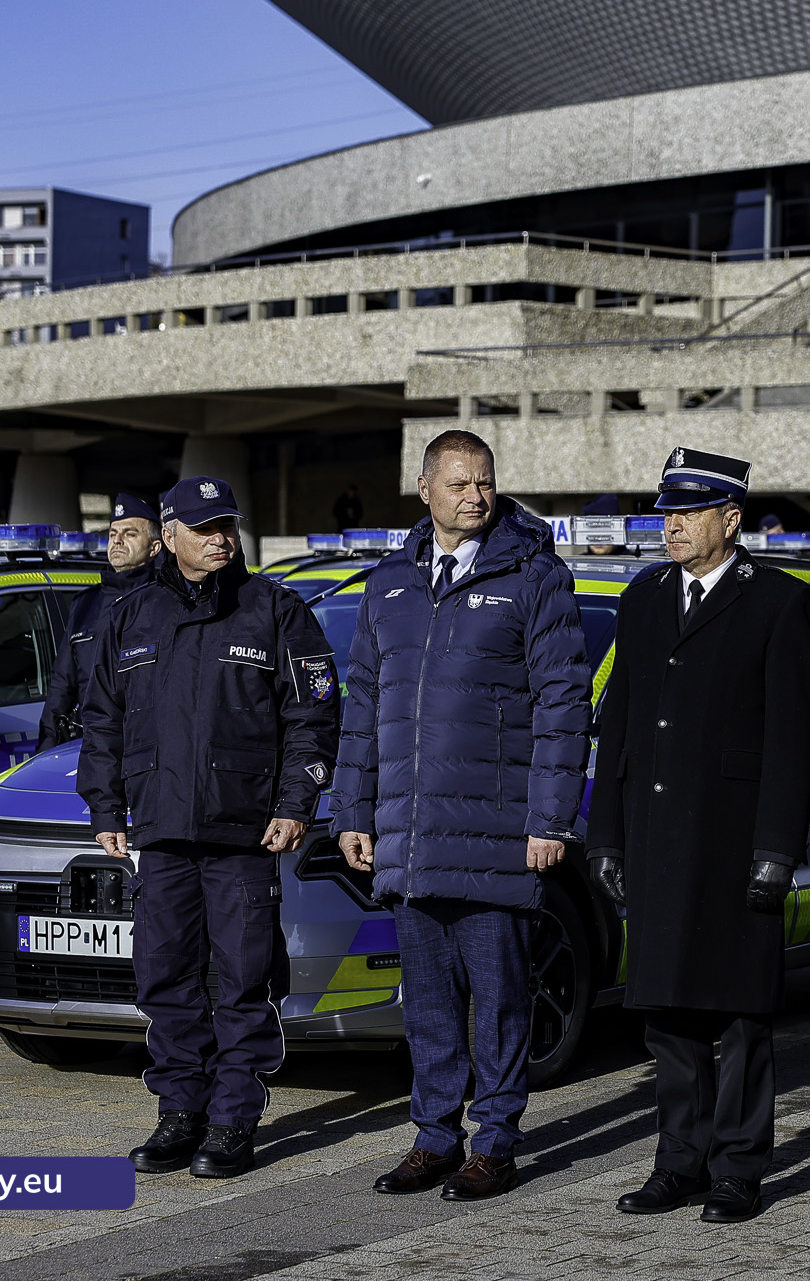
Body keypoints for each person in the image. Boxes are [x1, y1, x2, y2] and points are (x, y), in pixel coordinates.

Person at [331, 428, 591, 1203]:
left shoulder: (534, 575)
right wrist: (354, 808)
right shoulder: (389, 586)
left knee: (501, 998)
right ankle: (435, 1136)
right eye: (458, 484)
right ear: (424, 489)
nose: (475, 496)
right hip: (410, 838)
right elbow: (364, 710)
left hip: (497, 834)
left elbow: (562, 701)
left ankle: (498, 1142)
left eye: (485, 482)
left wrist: (551, 819)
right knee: (433, 1003)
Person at [586, 447, 810, 1225]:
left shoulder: (778, 602)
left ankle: (739, 1169)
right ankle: (677, 1160)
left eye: (688, 512)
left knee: (737, 1018)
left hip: (732, 844)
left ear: (731, 517)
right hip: (656, 837)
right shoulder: (646, 596)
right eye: (667, 512)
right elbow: (619, 721)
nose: (673, 525)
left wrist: (777, 851)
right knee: (666, 1016)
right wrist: (607, 837)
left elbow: (795, 739)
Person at [78, 476, 340, 1180]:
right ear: (170, 537)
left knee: (240, 981)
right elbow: (100, 719)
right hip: (160, 832)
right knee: (165, 978)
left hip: (241, 834)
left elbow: (314, 718)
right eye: (205, 527)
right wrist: (105, 807)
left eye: (227, 523)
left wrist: (294, 803)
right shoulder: (132, 615)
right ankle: (179, 1111)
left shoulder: (276, 610)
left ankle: (231, 1120)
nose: (222, 536)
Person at [38, 494, 163, 746]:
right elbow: (62, 686)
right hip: (93, 747)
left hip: (150, 747)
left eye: (130, 534)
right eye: (113, 533)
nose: (117, 540)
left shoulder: (166, 600)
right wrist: (45, 750)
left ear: (154, 548)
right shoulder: (86, 604)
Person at [584, 491, 625, 556]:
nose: (597, 538)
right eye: (592, 531)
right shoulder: (577, 563)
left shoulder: (634, 562)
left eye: (604, 531)